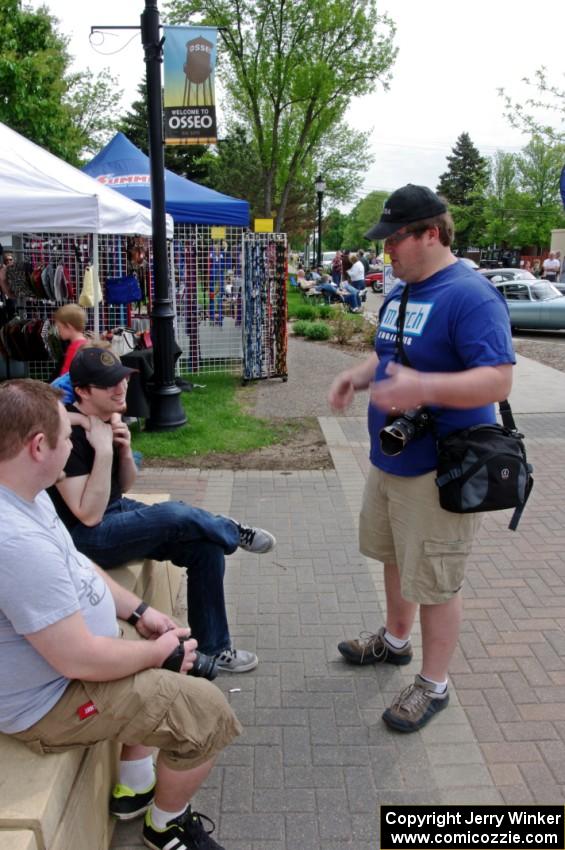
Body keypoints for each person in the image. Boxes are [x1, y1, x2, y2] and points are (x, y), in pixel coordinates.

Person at [0, 379, 241, 850]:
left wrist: (142, 611)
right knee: (207, 714)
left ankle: (134, 788)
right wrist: (156, 653)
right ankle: (165, 827)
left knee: (168, 666)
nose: (74, 445)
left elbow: (78, 564)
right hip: (50, 703)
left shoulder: (24, 495)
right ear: (38, 446)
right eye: (67, 438)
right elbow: (79, 660)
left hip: (67, 669)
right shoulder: (14, 541)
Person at [328, 184, 515, 733]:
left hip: (440, 468)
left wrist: (424, 385)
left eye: (394, 239)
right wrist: (355, 377)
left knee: (435, 579)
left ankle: (434, 685)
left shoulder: (471, 294)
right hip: (392, 460)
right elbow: (386, 354)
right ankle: (394, 641)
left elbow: (499, 377)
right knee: (392, 557)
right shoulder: (403, 290)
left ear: (431, 233)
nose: (386, 250)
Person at [48, 346, 276, 674]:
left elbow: (122, 487)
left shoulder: (106, 418)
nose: (120, 388)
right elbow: (87, 515)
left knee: (205, 546)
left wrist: (123, 452)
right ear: (82, 391)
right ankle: (228, 528)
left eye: (122, 379)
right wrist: (103, 452)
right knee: (172, 514)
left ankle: (213, 649)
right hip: (85, 538)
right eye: (109, 384)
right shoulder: (66, 433)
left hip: (113, 510)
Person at [54, 304, 88, 375]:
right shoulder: (86, 343)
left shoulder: (74, 348)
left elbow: (65, 376)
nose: (58, 331)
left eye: (59, 327)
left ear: (69, 326)